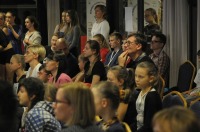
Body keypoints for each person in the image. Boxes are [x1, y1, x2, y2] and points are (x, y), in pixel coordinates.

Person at [134, 61, 162, 132]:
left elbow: (149, 126)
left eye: (140, 77)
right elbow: (136, 118)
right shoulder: (139, 92)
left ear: (151, 79)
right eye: (135, 75)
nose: (137, 79)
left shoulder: (152, 97)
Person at [107, 66, 136, 131]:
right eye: (107, 79)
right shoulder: (113, 93)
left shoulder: (125, 95)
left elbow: (118, 119)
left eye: (110, 80)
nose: (107, 82)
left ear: (120, 82)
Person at [0, 12, 15, 82]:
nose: (0, 20)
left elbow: (4, 44)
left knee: (9, 77)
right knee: (2, 77)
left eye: (1, 19)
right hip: (2, 53)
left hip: (8, 52)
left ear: (4, 20)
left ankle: (10, 92)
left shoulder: (4, 29)